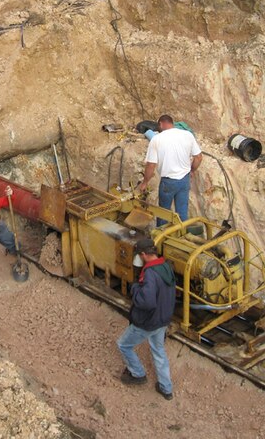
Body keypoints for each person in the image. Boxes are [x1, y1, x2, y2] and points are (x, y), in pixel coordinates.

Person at [117, 239, 176, 400]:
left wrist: (135, 288)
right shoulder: (166, 267)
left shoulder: (150, 273)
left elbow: (146, 301)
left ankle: (137, 374)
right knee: (158, 351)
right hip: (162, 320)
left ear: (143, 254)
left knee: (123, 344)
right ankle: (166, 388)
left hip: (148, 322)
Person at [137, 114, 202, 223]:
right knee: (182, 213)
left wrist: (145, 182)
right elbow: (199, 157)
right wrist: (192, 170)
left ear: (161, 124)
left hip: (168, 182)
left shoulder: (157, 139)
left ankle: (163, 237)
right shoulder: (187, 135)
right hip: (184, 180)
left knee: (164, 214)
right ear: (172, 123)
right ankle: (182, 236)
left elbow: (151, 165)